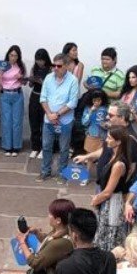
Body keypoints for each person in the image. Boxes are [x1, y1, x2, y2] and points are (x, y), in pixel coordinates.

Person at [37, 53, 79, 182]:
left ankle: (62, 173)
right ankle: (45, 171)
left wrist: (57, 114)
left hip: (65, 120)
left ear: (66, 66)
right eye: (53, 65)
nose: (55, 68)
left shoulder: (73, 80)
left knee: (64, 148)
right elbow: (43, 98)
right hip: (48, 119)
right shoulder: (48, 78)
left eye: (59, 66)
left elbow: (72, 103)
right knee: (46, 146)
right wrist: (50, 114)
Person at [0, 45, 26, 156]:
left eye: (15, 56)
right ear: (8, 55)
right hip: (5, 95)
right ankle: (7, 147)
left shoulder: (20, 66)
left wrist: (20, 77)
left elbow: (24, 83)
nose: (13, 58)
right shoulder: (2, 66)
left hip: (17, 94)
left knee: (17, 121)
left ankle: (16, 147)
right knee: (6, 121)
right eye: (11, 55)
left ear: (18, 57)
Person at [27, 49, 52, 159]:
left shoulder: (51, 69)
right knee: (34, 122)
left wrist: (43, 83)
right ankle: (35, 147)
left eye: (41, 60)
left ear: (45, 59)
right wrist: (32, 80)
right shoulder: (34, 68)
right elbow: (30, 85)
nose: (39, 62)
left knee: (44, 123)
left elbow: (53, 86)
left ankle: (43, 148)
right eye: (37, 60)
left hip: (46, 98)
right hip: (35, 96)